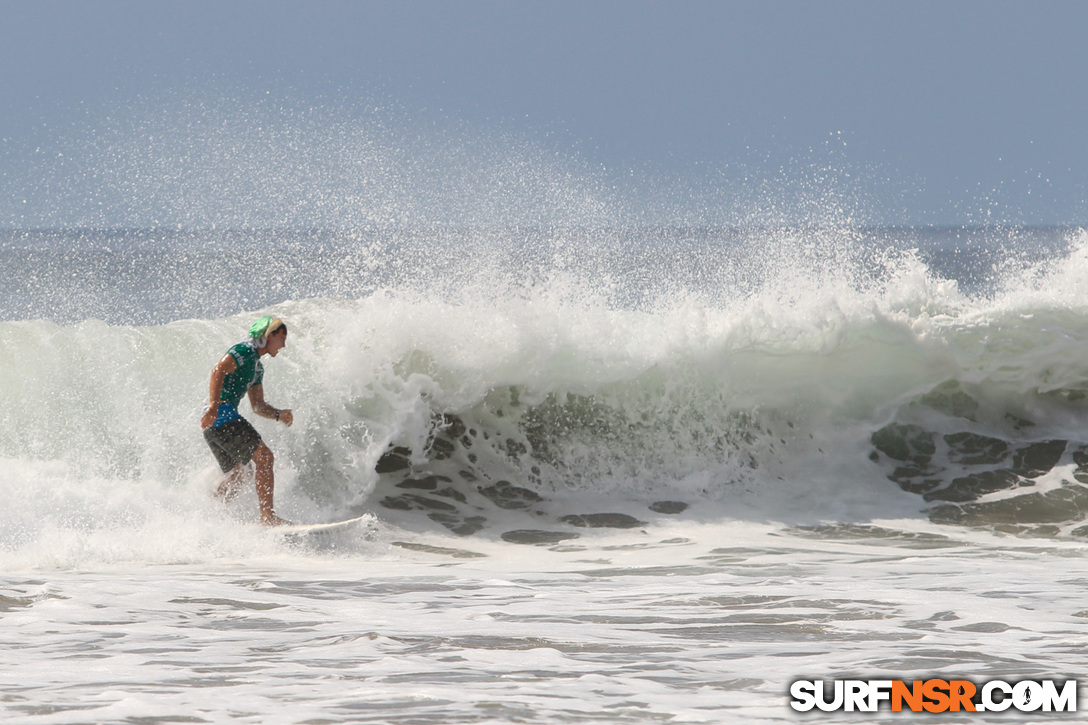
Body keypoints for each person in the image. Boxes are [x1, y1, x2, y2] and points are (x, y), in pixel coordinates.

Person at [201, 316, 294, 526]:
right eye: (281, 338)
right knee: (265, 458)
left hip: (214, 427)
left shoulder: (257, 367)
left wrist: (279, 414)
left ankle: (208, 510)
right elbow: (218, 371)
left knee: (239, 475)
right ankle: (268, 517)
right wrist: (214, 406)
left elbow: (258, 406)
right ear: (269, 336)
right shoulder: (243, 351)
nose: (284, 345)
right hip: (222, 417)